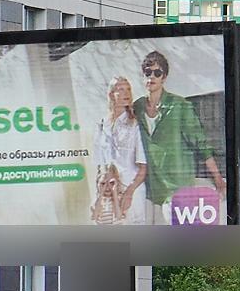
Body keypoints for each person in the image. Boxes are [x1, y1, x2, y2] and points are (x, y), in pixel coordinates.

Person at [137, 49, 224, 223]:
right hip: (150, 189)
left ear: (164, 77)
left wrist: (217, 177)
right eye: (147, 72)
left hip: (177, 188)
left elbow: (201, 144)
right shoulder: (137, 107)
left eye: (157, 73)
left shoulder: (179, 106)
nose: (151, 77)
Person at [88, 76, 145, 224]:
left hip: (132, 192)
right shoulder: (102, 125)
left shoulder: (135, 124)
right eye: (121, 89)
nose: (126, 93)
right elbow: (100, 167)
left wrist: (129, 193)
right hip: (109, 195)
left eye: (128, 89)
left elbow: (143, 167)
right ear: (111, 94)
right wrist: (98, 196)